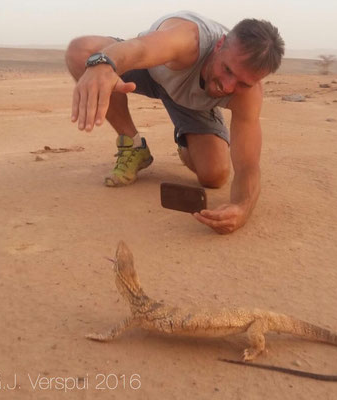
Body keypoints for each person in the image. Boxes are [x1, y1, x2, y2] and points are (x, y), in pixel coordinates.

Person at [65, 11, 284, 234]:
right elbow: (139, 48)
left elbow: (248, 165)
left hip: (193, 103)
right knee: (83, 52)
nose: (227, 87)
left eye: (243, 83)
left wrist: (242, 208)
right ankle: (133, 145)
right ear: (219, 45)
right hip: (151, 71)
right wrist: (103, 64)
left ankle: (186, 142)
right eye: (227, 69)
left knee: (214, 175)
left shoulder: (248, 95)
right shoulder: (189, 40)